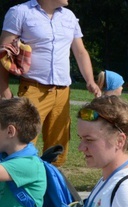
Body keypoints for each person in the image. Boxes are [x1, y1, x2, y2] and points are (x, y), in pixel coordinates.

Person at [0, 0, 102, 167]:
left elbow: (81, 52)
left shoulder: (69, 17)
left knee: (57, 149)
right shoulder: (19, 12)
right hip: (33, 89)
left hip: (62, 93)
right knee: (20, 144)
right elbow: (2, 54)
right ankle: (16, 187)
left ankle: (49, 185)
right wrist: (4, 92)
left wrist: (90, 81)